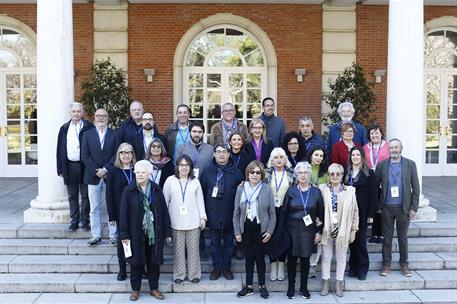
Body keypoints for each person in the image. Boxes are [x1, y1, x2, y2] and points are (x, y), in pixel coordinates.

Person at [119, 160, 172, 301]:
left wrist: (167, 232)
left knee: (154, 262)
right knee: (135, 262)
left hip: (154, 232)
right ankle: (135, 290)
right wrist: (124, 234)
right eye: (137, 172)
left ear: (149, 174)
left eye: (143, 172)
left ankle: (154, 288)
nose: (140, 175)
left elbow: (164, 211)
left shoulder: (156, 190)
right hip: (135, 233)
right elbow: (123, 214)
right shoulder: (128, 191)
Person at [376, 139, 419, 278]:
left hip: (404, 207)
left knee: (403, 238)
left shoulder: (410, 164)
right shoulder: (381, 165)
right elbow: (376, 188)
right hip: (386, 207)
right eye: (391, 147)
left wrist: (414, 207)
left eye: (396, 147)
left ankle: (404, 265)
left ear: (401, 148)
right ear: (388, 149)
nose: (394, 150)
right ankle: (386, 265)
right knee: (387, 238)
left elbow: (416, 187)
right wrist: (378, 206)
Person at [200, 144, 244, 281]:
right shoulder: (207, 171)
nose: (221, 155)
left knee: (229, 243)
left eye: (224, 152)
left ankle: (226, 268)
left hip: (230, 213)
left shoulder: (236, 172)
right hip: (213, 213)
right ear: (214, 154)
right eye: (218, 152)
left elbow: (242, 194)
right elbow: (202, 192)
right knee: (214, 243)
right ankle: (216, 268)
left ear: (229, 154)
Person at [233, 161, 276, 299]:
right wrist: (237, 232)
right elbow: (236, 213)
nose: (255, 175)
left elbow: (272, 214)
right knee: (249, 258)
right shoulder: (241, 189)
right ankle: (249, 286)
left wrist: (269, 231)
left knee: (260, 258)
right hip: (246, 227)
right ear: (248, 173)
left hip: (261, 228)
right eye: (252, 172)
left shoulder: (267, 189)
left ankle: (262, 285)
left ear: (262, 174)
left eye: (258, 172)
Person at [282, 162, 324, 299]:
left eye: (305, 172)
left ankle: (304, 288)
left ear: (309, 174)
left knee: (305, 260)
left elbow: (321, 214)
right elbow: (284, 211)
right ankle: (290, 287)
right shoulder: (291, 191)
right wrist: (282, 232)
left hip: (308, 232)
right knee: (292, 260)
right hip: (292, 231)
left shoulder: (316, 192)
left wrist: (319, 231)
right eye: (300, 173)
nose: (303, 175)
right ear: (296, 175)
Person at [163, 155, 207, 284]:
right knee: (178, 252)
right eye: (181, 165)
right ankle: (179, 274)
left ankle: (194, 274)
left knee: (194, 251)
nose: (184, 167)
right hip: (175, 222)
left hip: (193, 222)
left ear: (191, 167)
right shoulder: (170, 181)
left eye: (187, 165)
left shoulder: (195, 181)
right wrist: (165, 222)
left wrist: (203, 217)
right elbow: (164, 202)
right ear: (177, 167)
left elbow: (200, 201)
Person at [319, 163, 358, 297]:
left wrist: (353, 229)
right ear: (328, 176)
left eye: (338, 174)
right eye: (332, 174)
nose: (335, 176)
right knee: (326, 257)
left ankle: (338, 283)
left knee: (341, 257)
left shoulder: (350, 191)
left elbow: (355, 212)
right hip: (327, 229)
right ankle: (325, 282)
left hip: (343, 229)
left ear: (342, 176)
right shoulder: (322, 189)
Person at [81, 108, 117, 246]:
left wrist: (106, 169)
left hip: (110, 175)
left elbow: (116, 154)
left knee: (111, 207)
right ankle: (96, 235)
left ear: (107, 118)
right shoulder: (87, 135)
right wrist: (96, 170)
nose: (101, 118)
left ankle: (113, 235)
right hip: (92, 175)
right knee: (94, 207)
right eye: (98, 116)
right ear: (94, 118)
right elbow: (84, 155)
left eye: (104, 116)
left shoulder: (114, 134)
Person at [56, 102, 93, 231]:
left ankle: (85, 221)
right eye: (74, 111)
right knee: (72, 196)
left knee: (86, 195)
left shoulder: (89, 127)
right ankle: (74, 221)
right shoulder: (64, 128)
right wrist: (60, 168)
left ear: (83, 113)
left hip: (85, 166)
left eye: (78, 111)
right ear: (70, 113)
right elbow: (59, 149)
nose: (76, 114)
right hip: (69, 166)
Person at [344, 147, 377, 280]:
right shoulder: (346, 173)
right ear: (350, 157)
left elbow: (374, 195)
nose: (355, 157)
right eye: (353, 155)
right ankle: (353, 267)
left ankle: (363, 268)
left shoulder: (369, 173)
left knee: (361, 241)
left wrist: (371, 215)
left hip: (363, 213)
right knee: (351, 241)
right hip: (349, 212)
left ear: (362, 157)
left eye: (358, 154)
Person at [106, 143, 137, 281]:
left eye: (129, 152)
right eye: (123, 152)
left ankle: (138, 268)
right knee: (123, 241)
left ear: (133, 154)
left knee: (138, 241)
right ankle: (123, 269)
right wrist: (111, 215)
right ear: (119, 155)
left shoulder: (137, 169)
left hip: (137, 213)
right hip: (121, 213)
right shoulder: (113, 171)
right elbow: (109, 195)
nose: (126, 155)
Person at [263, 148, 294, 282]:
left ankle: (281, 265)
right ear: (271, 160)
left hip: (286, 210)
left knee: (283, 238)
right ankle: (272, 264)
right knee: (271, 237)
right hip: (270, 210)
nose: (279, 160)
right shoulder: (266, 173)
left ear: (285, 159)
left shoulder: (292, 174)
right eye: (275, 157)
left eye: (281, 157)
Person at [363, 123, 389, 244]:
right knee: (373, 207)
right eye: (372, 133)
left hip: (385, 180)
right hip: (370, 180)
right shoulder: (365, 148)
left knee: (382, 207)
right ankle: (374, 234)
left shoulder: (388, 146)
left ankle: (382, 234)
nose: (374, 135)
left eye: (376, 132)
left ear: (381, 133)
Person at [307, 146, 329, 277]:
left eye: (321, 156)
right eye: (316, 155)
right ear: (311, 155)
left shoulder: (325, 172)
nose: (318, 158)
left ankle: (313, 265)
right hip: (305, 208)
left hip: (320, 208)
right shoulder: (304, 168)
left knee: (317, 238)